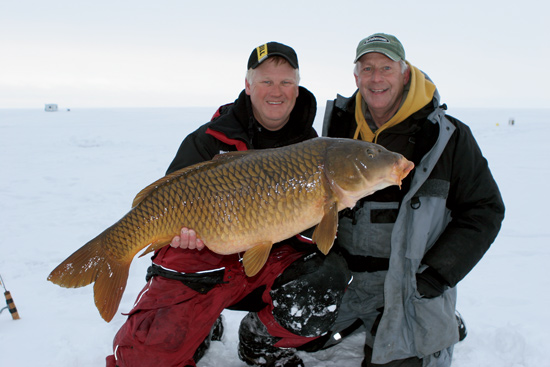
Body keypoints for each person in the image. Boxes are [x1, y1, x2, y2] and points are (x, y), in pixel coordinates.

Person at [105, 42, 351, 367]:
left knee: (327, 277)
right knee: (147, 360)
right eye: (266, 81)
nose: (276, 91)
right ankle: (199, 321)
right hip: (203, 258)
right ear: (248, 86)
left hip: (270, 261)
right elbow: (162, 204)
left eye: (286, 82)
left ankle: (261, 337)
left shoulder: (312, 150)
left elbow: (312, 239)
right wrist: (180, 237)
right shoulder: (209, 139)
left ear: (297, 87)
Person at [312, 33, 505, 366]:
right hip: (350, 281)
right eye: (367, 68)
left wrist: (438, 275)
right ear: (356, 77)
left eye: (386, 67)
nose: (376, 78)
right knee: (291, 332)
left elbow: (485, 209)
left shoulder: (448, 136)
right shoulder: (337, 129)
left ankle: (439, 323)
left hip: (410, 286)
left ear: (405, 73)